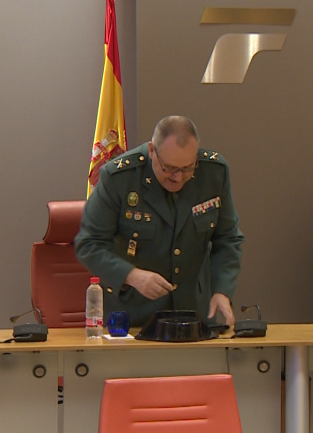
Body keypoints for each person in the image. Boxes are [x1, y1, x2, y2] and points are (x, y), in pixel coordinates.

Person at [75, 115, 244, 327]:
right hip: (133, 319)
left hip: (194, 317)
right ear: (152, 151)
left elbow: (228, 239)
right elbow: (88, 244)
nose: (178, 177)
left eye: (187, 168)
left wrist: (222, 290)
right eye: (169, 168)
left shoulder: (213, 173)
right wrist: (132, 275)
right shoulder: (120, 178)